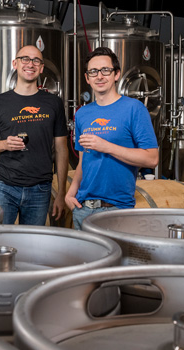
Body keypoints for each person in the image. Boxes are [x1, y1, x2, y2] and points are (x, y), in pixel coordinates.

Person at [65, 46, 159, 230]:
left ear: (116, 74)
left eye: (105, 70)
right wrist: (70, 193)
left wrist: (106, 146)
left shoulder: (134, 108)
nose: (99, 76)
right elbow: (83, 161)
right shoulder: (82, 114)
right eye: (93, 72)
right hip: (82, 210)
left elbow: (152, 158)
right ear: (87, 78)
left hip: (116, 210)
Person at [0, 45, 69, 225]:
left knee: (33, 246)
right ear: (15, 63)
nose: (31, 64)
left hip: (40, 189)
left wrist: (60, 194)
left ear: (42, 68)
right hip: (5, 187)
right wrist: (4, 144)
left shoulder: (54, 103)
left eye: (36, 60)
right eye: (25, 59)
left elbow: (61, 149)